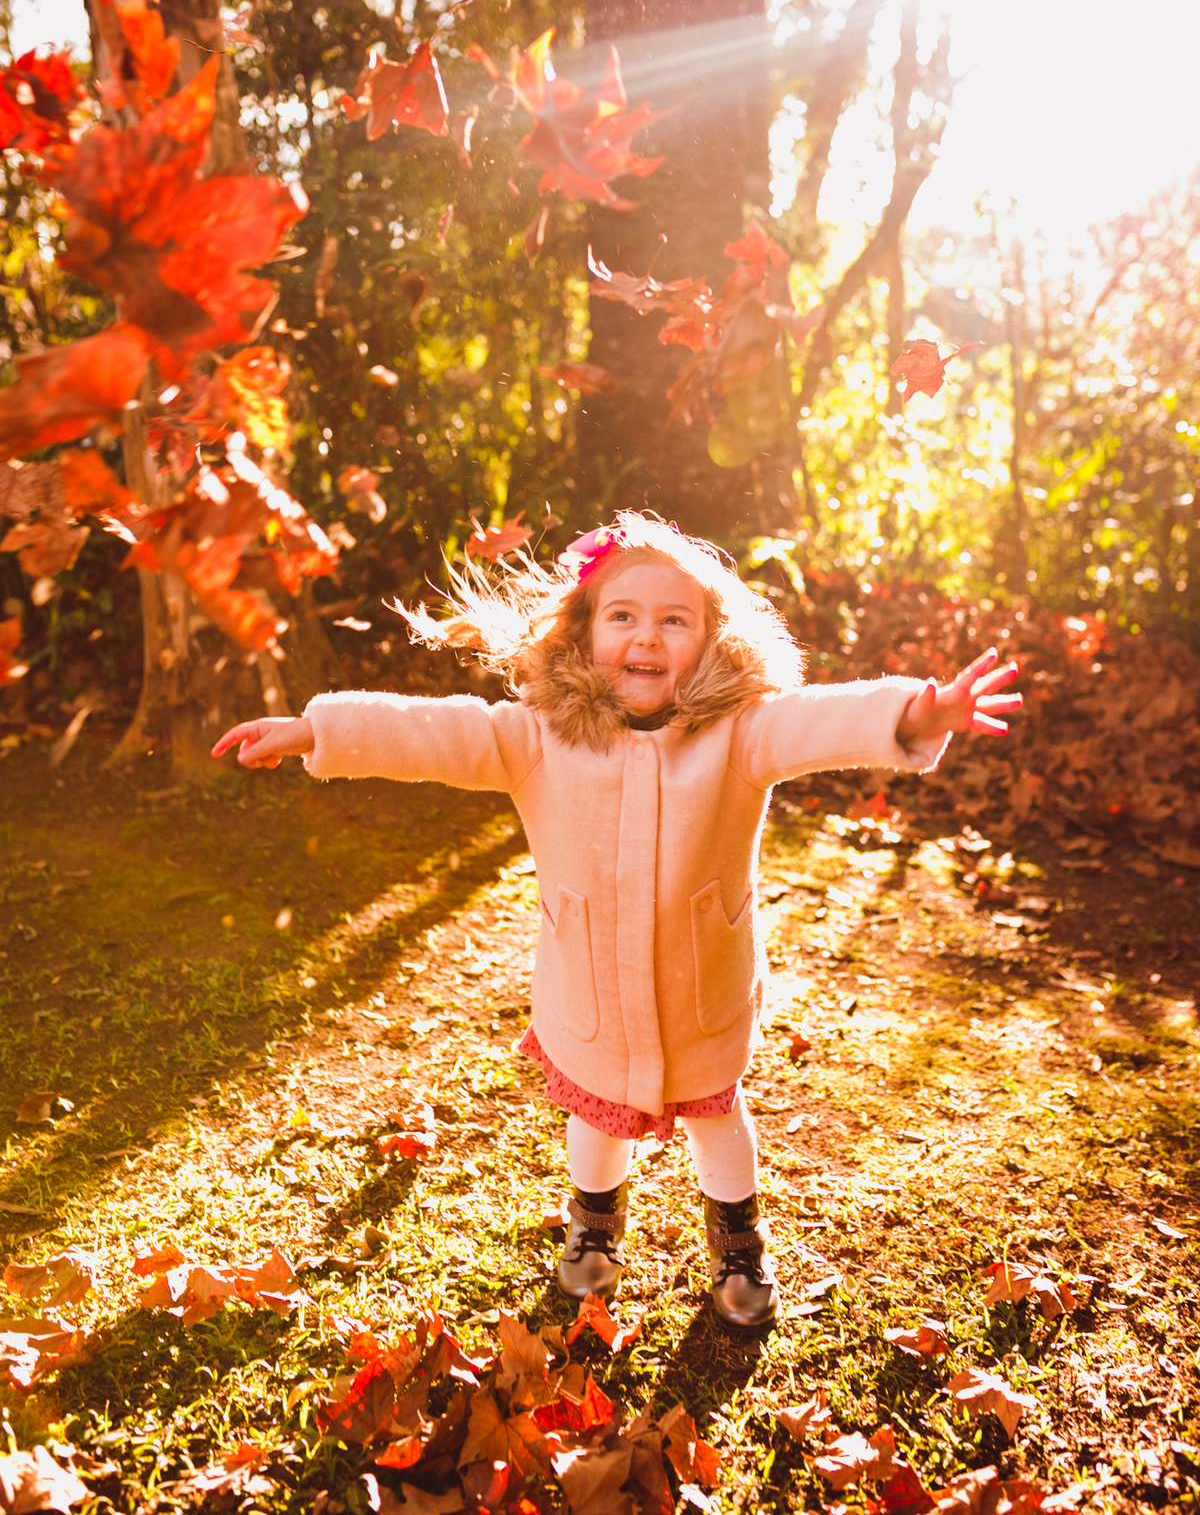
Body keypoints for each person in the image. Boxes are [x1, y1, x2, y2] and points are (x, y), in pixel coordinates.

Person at [212, 512, 1020, 1331]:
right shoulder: (538, 737)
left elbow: (817, 721)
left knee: (717, 1119)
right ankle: (593, 1226)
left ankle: (739, 1242)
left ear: (711, 639)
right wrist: (318, 730)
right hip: (588, 987)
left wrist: (916, 714)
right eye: (623, 616)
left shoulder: (740, 734)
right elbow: (438, 734)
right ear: (584, 630)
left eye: (675, 621)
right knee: (595, 1121)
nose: (647, 637)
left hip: (702, 989)